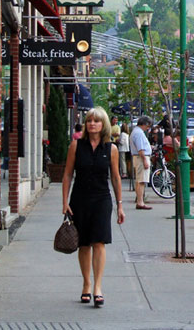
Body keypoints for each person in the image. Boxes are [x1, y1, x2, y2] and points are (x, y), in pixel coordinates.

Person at [62, 106, 124, 308]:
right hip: (79, 199)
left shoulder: (111, 149)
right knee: (83, 243)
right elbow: (68, 174)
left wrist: (120, 205)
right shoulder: (76, 146)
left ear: (103, 124)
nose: (92, 124)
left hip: (102, 200)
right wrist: (64, 202)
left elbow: (115, 177)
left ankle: (98, 286)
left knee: (99, 242)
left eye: (96, 121)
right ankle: (86, 284)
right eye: (89, 120)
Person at [130, 116, 153, 210]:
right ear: (145, 124)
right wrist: (144, 160)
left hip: (139, 157)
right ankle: (140, 202)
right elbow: (140, 149)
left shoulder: (136, 132)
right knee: (141, 181)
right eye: (148, 126)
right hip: (141, 157)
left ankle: (140, 201)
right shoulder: (139, 133)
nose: (148, 128)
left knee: (140, 180)